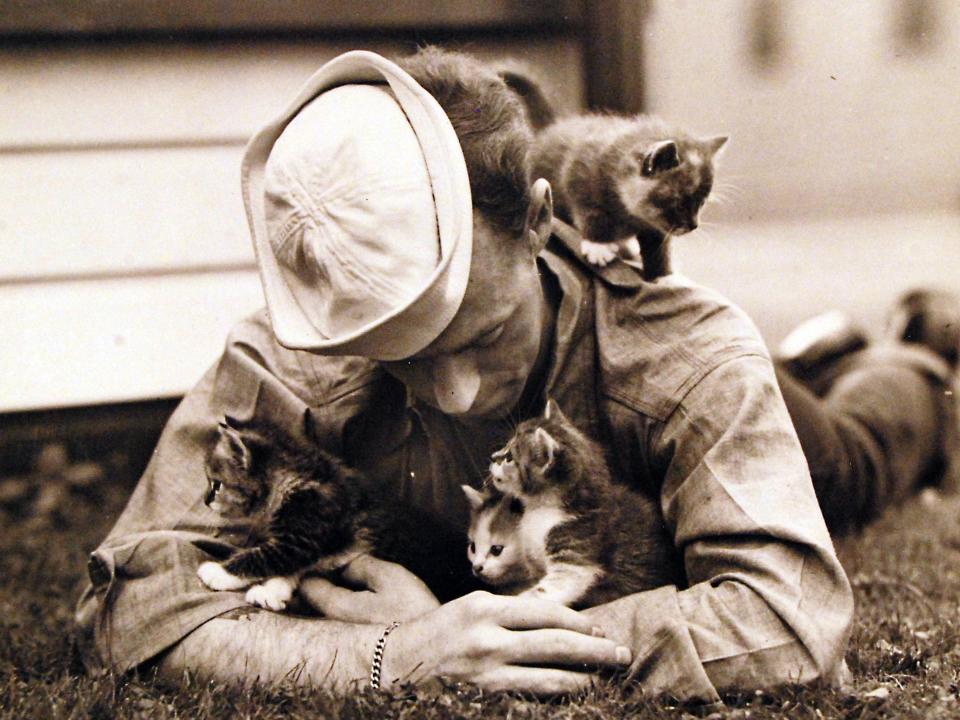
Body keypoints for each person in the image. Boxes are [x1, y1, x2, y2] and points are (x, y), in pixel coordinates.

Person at [74, 47, 958, 704]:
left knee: (859, 459)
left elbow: (789, 622)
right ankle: (835, 353)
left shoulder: (686, 350)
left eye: (481, 335)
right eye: (407, 353)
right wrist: (399, 652)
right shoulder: (300, 346)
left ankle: (911, 353)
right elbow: (128, 605)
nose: (454, 392)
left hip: (803, 425)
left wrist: (501, 642)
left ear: (539, 221)